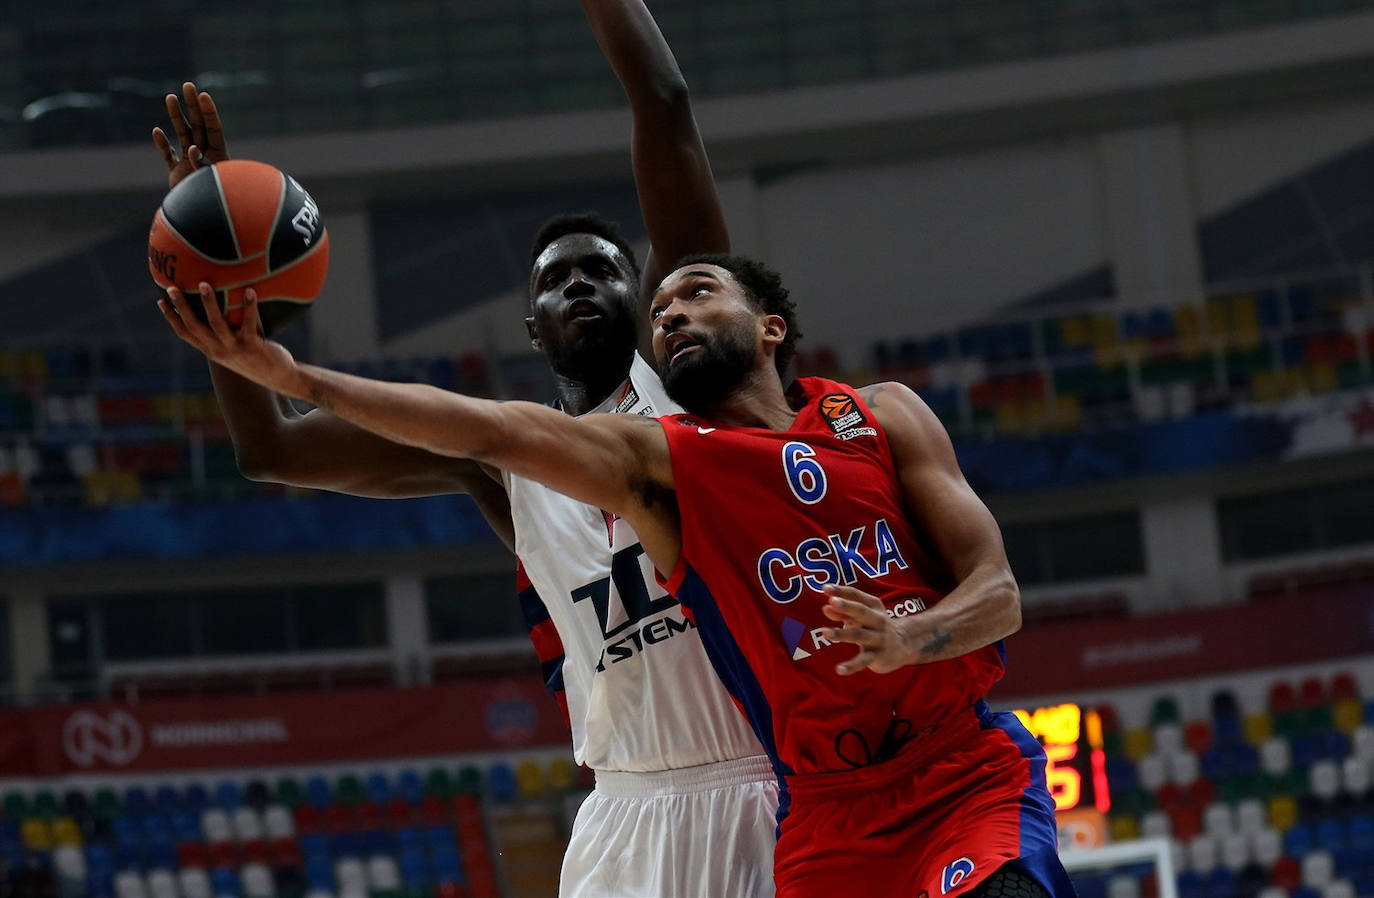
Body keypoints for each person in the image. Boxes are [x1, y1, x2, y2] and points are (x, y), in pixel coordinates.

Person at [159, 247, 1077, 897]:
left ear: (770, 326)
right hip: (790, 804)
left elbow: (999, 590)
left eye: (695, 294)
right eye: (663, 306)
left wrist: (910, 636)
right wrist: (294, 372)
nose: (670, 311)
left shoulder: (879, 416)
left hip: (943, 768)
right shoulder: (666, 463)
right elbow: (486, 429)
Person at [150, 4, 779, 897]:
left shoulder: (696, 383)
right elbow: (270, 449)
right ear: (534, 328)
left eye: (602, 269)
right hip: (627, 817)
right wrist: (218, 256)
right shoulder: (499, 459)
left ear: (646, 298)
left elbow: (666, 102)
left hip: (767, 778)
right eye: (557, 281)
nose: (581, 285)